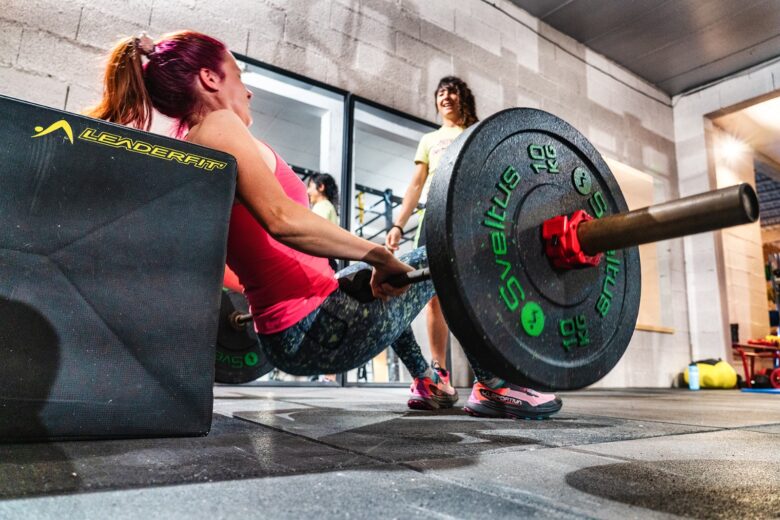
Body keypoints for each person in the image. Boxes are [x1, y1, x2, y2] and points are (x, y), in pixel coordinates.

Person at [86, 31, 562, 419]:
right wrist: (378, 254)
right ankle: (495, 387)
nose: (248, 91)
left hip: (291, 334)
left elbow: (227, 253)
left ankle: (428, 382)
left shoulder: (194, 144)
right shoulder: (218, 126)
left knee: (370, 280)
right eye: (238, 76)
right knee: (446, 254)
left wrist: (366, 266)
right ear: (209, 78)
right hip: (314, 327)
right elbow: (283, 220)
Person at [385, 76, 476, 402]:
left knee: (470, 295)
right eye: (440, 93)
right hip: (433, 217)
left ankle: (492, 379)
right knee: (433, 296)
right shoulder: (429, 139)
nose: (445, 97)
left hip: (466, 218)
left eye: (451, 91)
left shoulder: (474, 132)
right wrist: (398, 225)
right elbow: (415, 185)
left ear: (463, 97)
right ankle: (440, 374)